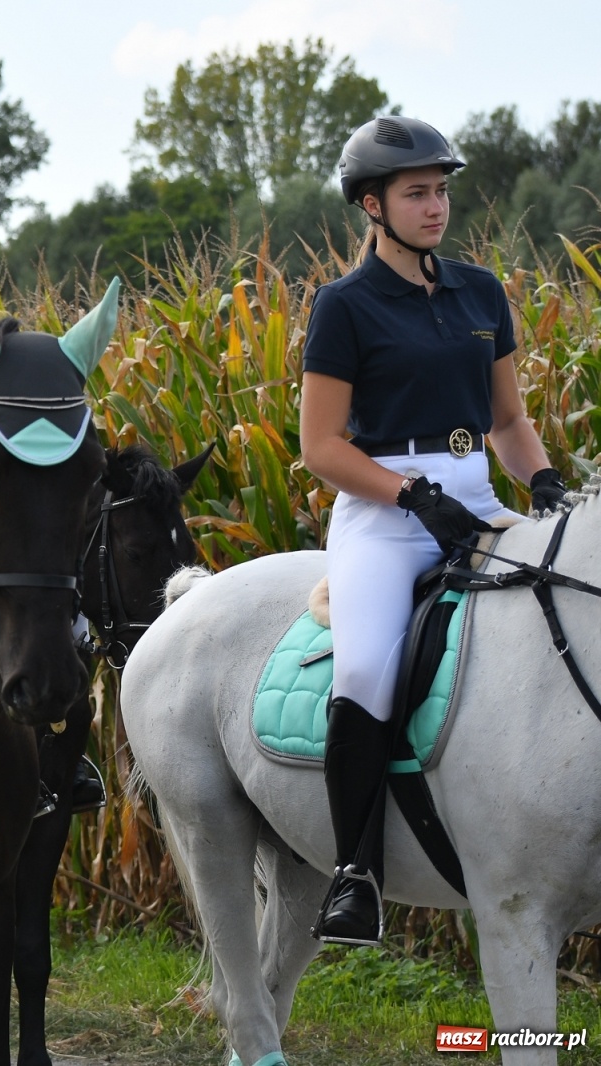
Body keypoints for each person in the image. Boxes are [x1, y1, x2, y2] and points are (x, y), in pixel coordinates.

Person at [299, 116, 565, 945]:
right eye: (417, 193)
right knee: (366, 667)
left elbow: (508, 421)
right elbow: (321, 447)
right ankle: (355, 874)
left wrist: (544, 481)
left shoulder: (480, 292)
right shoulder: (344, 307)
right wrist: (410, 497)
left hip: (476, 500)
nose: (436, 207)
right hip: (384, 515)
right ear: (372, 206)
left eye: (441, 191)